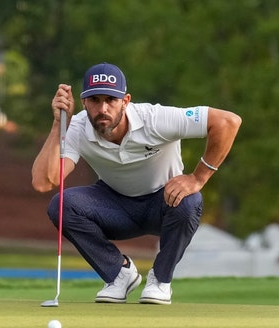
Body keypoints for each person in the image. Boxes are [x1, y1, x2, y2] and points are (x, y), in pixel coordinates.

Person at [31, 62, 241, 305]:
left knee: (190, 201)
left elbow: (228, 122)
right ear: (83, 102)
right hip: (115, 208)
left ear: (126, 100)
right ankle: (119, 274)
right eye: (95, 100)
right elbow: (44, 182)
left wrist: (198, 178)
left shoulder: (155, 119)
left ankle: (160, 280)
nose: (103, 108)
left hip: (165, 204)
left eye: (111, 99)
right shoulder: (77, 127)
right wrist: (59, 124)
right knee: (62, 204)